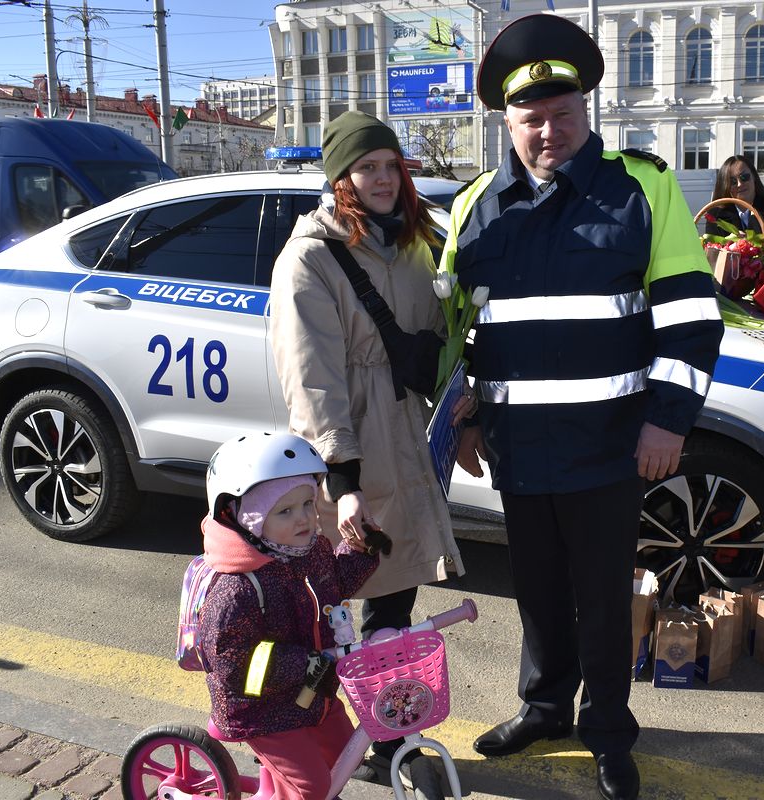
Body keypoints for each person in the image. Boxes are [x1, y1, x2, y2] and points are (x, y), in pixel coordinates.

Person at [441, 15, 724, 800]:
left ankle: (606, 732)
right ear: (508, 121)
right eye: (532, 118)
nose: (548, 131)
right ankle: (543, 708)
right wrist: (460, 414)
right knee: (536, 595)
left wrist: (668, 420)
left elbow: (692, 318)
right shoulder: (474, 208)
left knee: (601, 600)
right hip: (519, 448)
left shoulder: (642, 185)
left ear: (586, 113)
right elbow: (457, 331)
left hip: (611, 448)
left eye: (563, 115)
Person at [268, 111, 467, 767]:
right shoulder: (310, 257)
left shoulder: (414, 241)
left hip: (409, 435)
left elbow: (446, 329)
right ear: (342, 178)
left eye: (391, 165)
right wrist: (342, 482)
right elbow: (311, 379)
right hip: (353, 443)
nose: (383, 178)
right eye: (367, 167)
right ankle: (322, 730)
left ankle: (387, 730)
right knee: (339, 603)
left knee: (396, 594)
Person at [198, 432, 380, 800]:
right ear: (246, 519)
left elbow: (334, 583)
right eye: (285, 511)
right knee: (311, 787)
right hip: (262, 710)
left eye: (307, 505)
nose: (305, 519)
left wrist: (362, 548)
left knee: (347, 751)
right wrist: (307, 663)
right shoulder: (237, 591)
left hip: (313, 692)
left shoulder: (309, 550)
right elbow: (234, 667)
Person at [704, 156, 764, 252]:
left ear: (754, 177)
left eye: (744, 177)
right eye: (733, 181)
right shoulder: (716, 214)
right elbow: (712, 250)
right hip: (730, 268)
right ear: (725, 185)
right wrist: (732, 244)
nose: (740, 184)